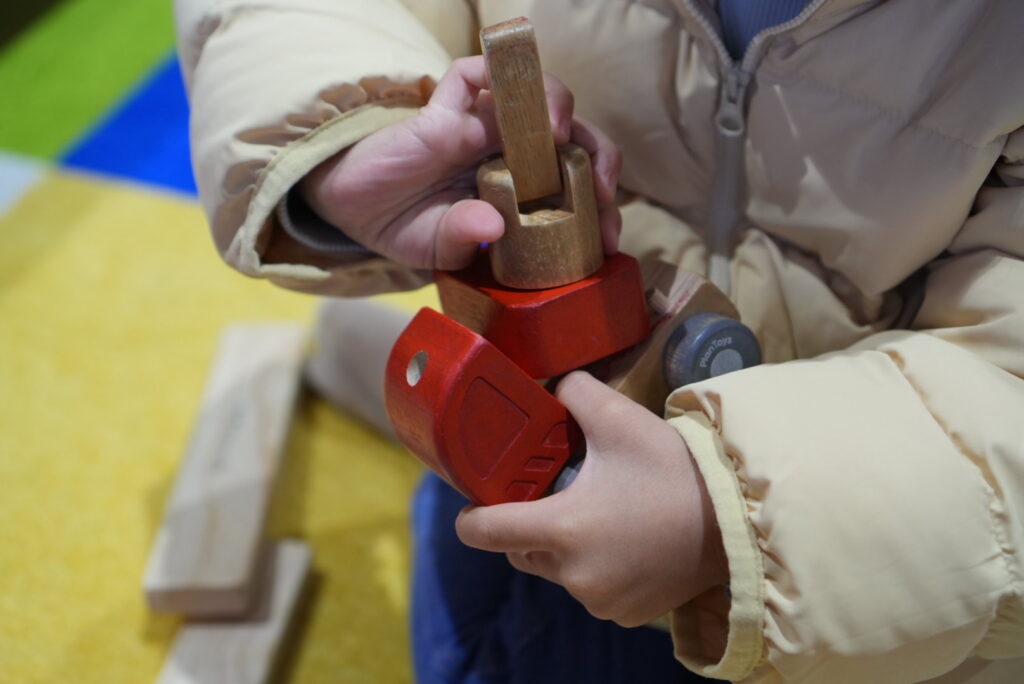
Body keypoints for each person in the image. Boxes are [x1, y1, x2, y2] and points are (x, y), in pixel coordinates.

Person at [174, 0, 1024, 681]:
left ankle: (350, 352)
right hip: (529, 448)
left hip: (864, 582)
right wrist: (344, 138)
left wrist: (728, 515)